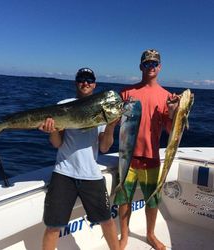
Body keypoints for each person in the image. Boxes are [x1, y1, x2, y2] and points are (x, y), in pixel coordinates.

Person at [39, 67, 120, 250]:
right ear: (76, 83)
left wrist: (111, 126)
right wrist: (52, 131)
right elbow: (57, 144)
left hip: (91, 174)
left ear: (94, 85)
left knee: (107, 221)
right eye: (81, 79)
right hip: (63, 173)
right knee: (53, 227)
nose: (85, 83)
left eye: (89, 80)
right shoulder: (64, 104)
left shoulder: (102, 107)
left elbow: (104, 147)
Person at [114, 49, 179, 250]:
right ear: (140, 66)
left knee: (152, 201)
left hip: (151, 158)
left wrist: (173, 112)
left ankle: (150, 235)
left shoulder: (167, 97)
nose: (150, 67)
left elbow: (170, 131)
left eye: (154, 64)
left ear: (159, 67)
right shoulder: (126, 93)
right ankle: (124, 236)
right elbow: (114, 122)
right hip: (127, 157)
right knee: (124, 199)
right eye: (147, 63)